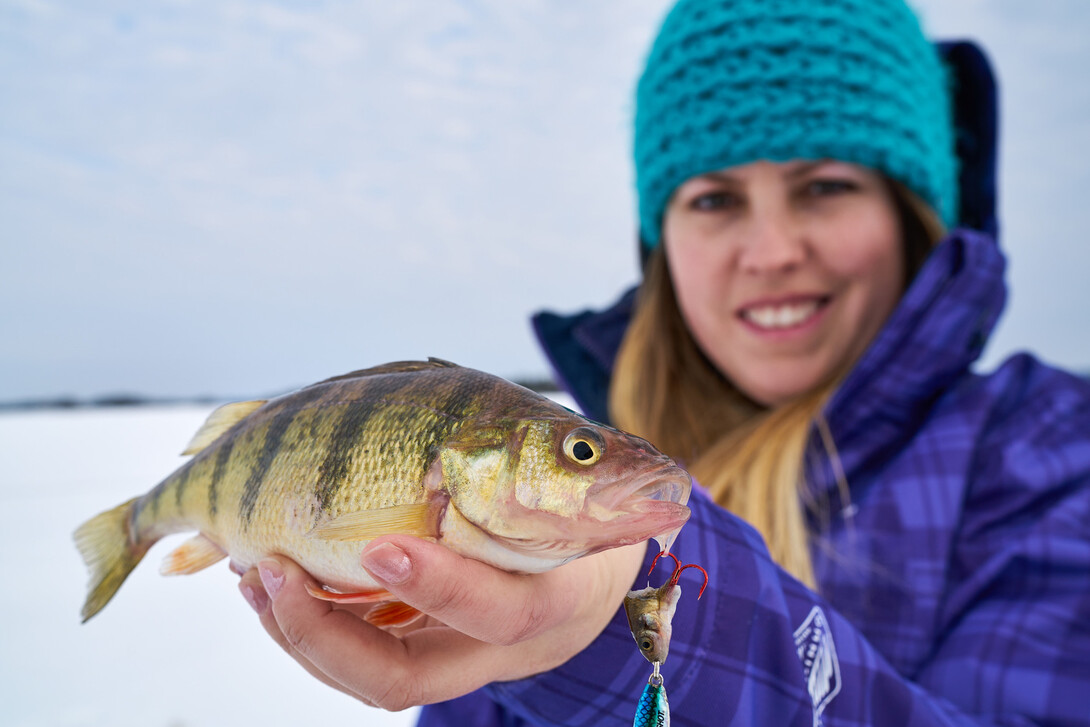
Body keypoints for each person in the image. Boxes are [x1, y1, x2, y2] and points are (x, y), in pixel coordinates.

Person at [236, 0, 1090, 724]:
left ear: (912, 214)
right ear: (662, 244)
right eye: (715, 198)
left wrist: (618, 622)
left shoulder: (1055, 455)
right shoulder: (536, 493)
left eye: (824, 185)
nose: (771, 249)